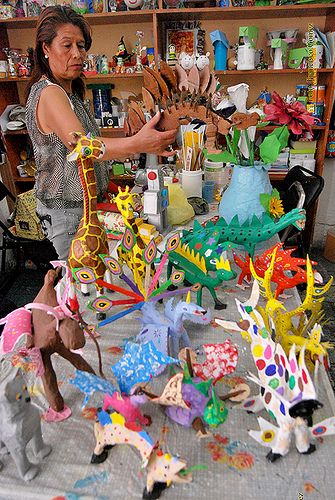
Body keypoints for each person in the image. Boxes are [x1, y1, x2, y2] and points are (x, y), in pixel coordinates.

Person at [25, 5, 177, 260]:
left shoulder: (67, 92)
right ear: (46, 49)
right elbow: (84, 146)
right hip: (69, 213)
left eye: (81, 46)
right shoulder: (49, 93)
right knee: (80, 286)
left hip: (84, 208)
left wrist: (136, 138)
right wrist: (139, 143)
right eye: (67, 45)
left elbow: (89, 145)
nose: (77, 54)